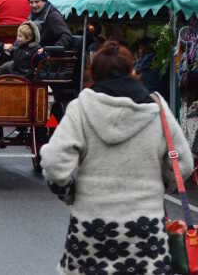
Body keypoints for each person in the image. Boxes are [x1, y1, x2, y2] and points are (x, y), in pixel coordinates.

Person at [40, 41, 193, 275]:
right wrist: (159, 187)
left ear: (94, 74)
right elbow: (183, 164)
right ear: (133, 71)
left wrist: (70, 193)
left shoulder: (81, 107)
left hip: (91, 229)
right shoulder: (156, 108)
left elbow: (53, 163)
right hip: (146, 232)